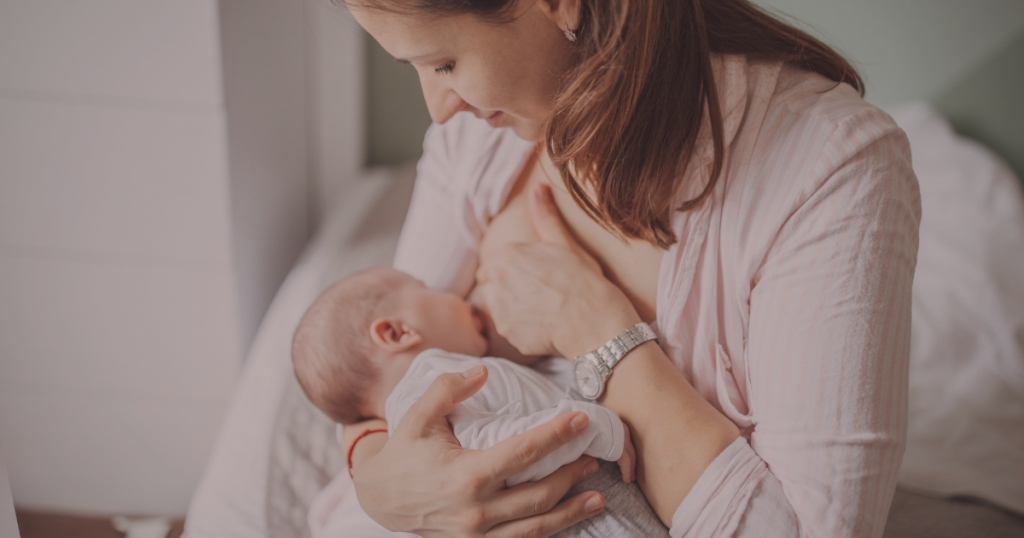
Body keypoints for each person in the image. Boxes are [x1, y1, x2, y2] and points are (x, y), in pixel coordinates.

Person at [334, 0, 922, 536]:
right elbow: (374, 368)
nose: (438, 111)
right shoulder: (479, 139)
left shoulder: (832, 171)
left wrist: (599, 333)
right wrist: (373, 472)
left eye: (443, 64)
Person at [293, 266, 670, 537]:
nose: (456, 295)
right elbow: (494, 455)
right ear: (397, 332)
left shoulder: (414, 414)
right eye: (428, 288)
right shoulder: (430, 385)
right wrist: (597, 428)